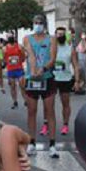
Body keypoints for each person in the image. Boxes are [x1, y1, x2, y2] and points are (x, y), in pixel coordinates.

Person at [22, 16, 58, 157]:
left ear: (45, 24)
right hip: (32, 78)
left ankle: (53, 144)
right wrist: (33, 71)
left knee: (49, 111)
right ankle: (31, 142)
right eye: (35, 23)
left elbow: (52, 58)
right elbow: (30, 55)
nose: (37, 25)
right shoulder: (27, 38)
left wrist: (42, 69)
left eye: (40, 23)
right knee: (32, 111)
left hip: (47, 78)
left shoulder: (52, 39)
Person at [51, 27, 80, 137]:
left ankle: (65, 124)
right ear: (55, 35)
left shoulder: (70, 48)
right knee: (49, 104)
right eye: (58, 34)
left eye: (62, 34)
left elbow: (76, 65)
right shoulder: (51, 48)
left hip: (65, 79)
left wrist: (77, 81)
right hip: (53, 78)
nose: (60, 36)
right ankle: (46, 124)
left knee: (65, 103)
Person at [2, 36, 26, 110]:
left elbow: (23, 56)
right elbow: (4, 58)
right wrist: (8, 62)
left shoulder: (19, 46)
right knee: (12, 86)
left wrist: (20, 62)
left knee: (22, 85)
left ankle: (25, 100)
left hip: (19, 69)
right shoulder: (4, 48)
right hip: (10, 69)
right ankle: (15, 101)